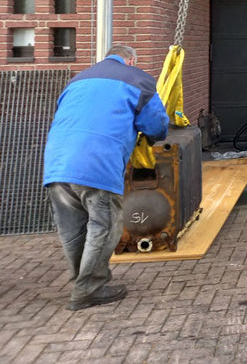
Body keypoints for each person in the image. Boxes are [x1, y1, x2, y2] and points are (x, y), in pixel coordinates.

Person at [43, 44, 168, 310]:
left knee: (73, 229)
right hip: (96, 163)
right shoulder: (138, 79)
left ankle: (82, 282)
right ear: (130, 60)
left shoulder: (78, 79)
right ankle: (88, 289)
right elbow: (155, 124)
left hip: (57, 163)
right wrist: (154, 139)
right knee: (104, 226)